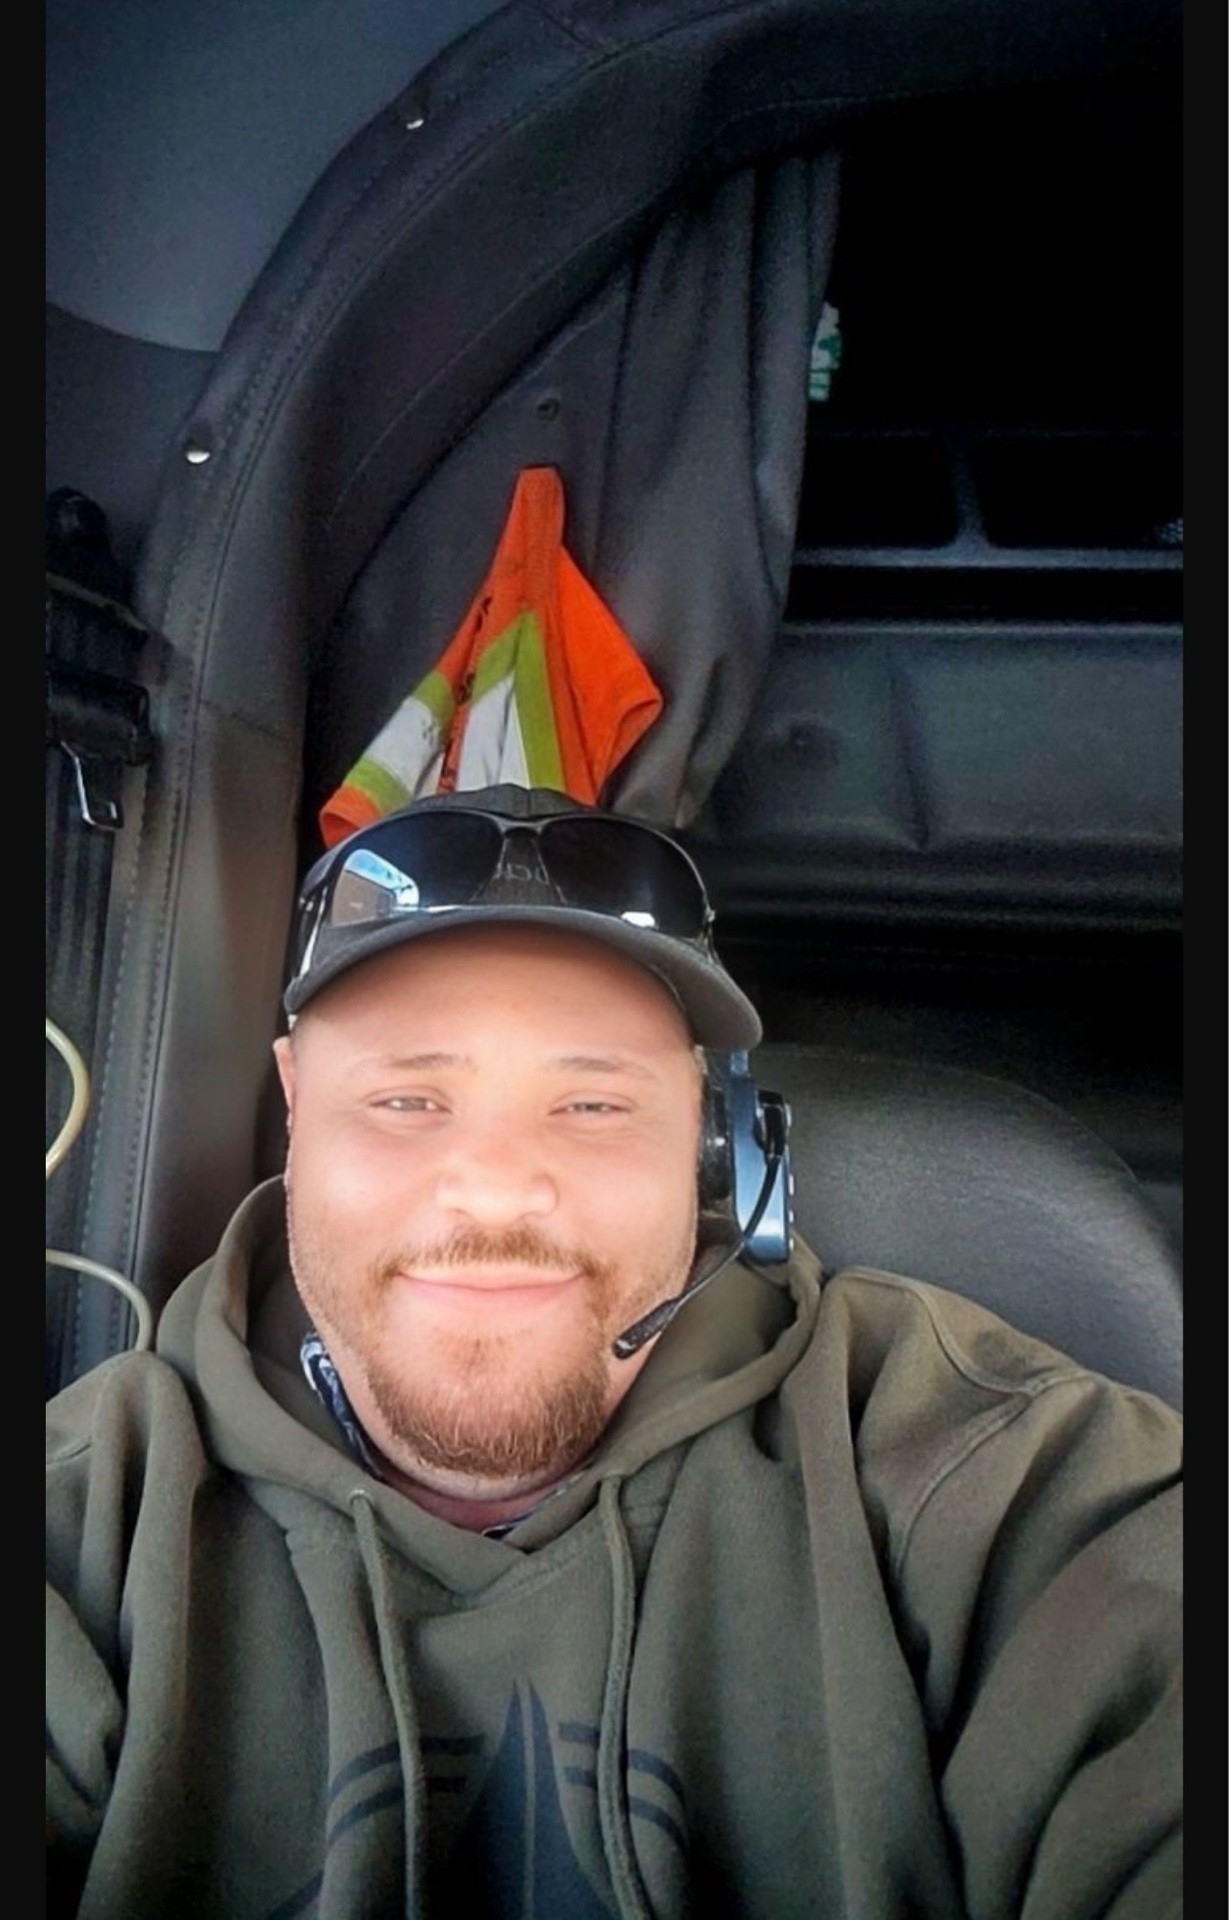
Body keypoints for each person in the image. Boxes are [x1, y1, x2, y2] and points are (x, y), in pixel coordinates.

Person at [46, 784, 1182, 1920]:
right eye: (406, 1099)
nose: (497, 1188)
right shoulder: (89, 1522)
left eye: (591, 1105)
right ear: (297, 1106)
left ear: (712, 1141)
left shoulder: (989, 1475)